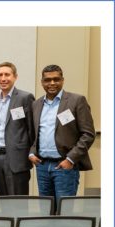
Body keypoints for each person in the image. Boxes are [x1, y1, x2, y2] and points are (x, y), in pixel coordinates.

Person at [29, 64, 95, 207]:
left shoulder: (76, 101)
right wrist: (32, 152)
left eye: (56, 79)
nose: (52, 83)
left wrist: (70, 159)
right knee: (45, 210)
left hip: (64, 166)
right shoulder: (36, 104)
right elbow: (35, 133)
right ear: (42, 82)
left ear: (62, 80)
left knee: (64, 210)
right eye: (47, 80)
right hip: (42, 166)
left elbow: (88, 134)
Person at [0, 62, 35, 196]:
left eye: (7, 75)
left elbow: (31, 128)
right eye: (0, 75)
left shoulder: (25, 98)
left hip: (17, 159)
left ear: (15, 77)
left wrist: (32, 152)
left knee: (18, 202)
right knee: (2, 199)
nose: (3, 78)